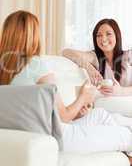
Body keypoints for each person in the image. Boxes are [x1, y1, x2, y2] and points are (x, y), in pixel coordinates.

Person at [1, 11, 132, 164]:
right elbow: (63, 117)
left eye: (108, 34)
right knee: (127, 135)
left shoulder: (4, 68)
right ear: (33, 35)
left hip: (42, 127)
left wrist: (78, 110)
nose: (103, 39)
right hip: (58, 135)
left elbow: (47, 112)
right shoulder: (37, 65)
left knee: (101, 115)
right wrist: (84, 96)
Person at [63, 19, 132, 96]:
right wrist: (89, 68)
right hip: (106, 105)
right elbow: (66, 52)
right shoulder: (95, 57)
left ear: (117, 35)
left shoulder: (129, 55)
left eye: (108, 34)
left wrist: (121, 91)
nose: (103, 39)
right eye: (99, 35)